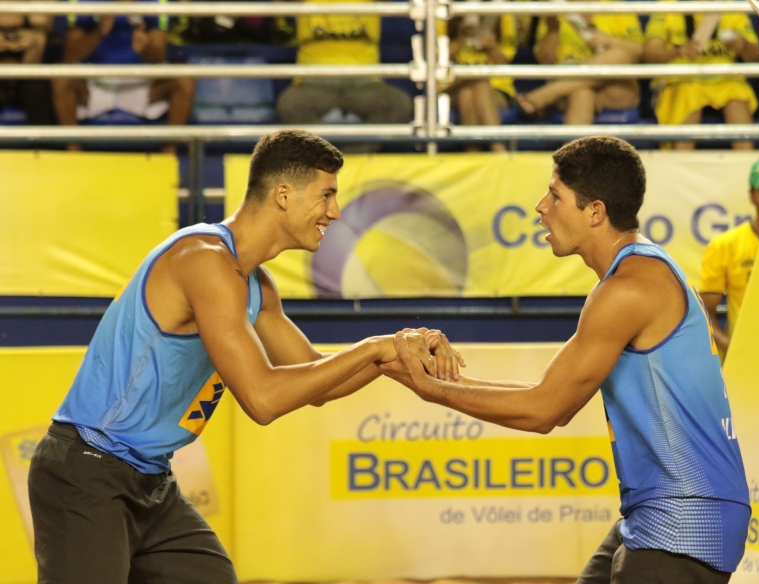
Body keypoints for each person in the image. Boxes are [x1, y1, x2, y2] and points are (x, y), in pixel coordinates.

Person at [27, 130, 461, 583]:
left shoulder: (255, 284)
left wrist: (401, 353)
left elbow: (315, 379)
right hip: (87, 470)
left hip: (148, 480)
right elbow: (263, 399)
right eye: (328, 194)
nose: (336, 211)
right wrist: (375, 347)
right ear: (283, 195)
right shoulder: (204, 259)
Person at [382, 135, 751, 583]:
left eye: (555, 195)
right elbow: (545, 395)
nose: (540, 206)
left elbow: (544, 412)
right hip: (660, 512)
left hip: (685, 519)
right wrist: (433, 379)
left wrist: (431, 389)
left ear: (595, 211)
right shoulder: (632, 276)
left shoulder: (628, 289)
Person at [51, 0, 196, 153]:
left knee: (184, 79)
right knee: (60, 77)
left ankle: (168, 154)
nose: (126, 1)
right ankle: (73, 151)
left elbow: (159, 58)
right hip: (94, 80)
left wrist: (145, 48)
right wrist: (99, 32)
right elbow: (70, 54)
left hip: (139, 80)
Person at [275, 0, 413, 153]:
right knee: (289, 104)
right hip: (314, 83)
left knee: (400, 105)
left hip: (364, 83)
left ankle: (351, 158)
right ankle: (324, 158)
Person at [643, 0, 759, 150]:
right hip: (682, 80)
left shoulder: (731, 8)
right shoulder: (666, 6)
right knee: (690, 94)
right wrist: (678, 51)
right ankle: (680, 167)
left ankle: (746, 163)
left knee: (737, 96)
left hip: (725, 80)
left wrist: (742, 44)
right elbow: (650, 53)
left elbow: (756, 56)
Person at [517, 0, 643, 125]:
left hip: (613, 86)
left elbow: (639, 52)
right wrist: (553, 30)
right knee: (582, 93)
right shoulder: (555, 10)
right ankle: (577, 147)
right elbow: (544, 60)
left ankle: (547, 93)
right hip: (568, 89)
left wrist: (609, 41)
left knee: (620, 54)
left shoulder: (619, 7)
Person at [699, 156, 759, 356]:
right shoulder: (726, 246)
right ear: (752, 196)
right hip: (745, 363)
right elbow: (703, 313)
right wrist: (732, 348)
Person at [445, 0, 518, 153]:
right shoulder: (443, 8)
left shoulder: (502, 7)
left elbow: (505, 63)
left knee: (474, 88)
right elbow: (437, 58)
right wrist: (461, 38)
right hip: (453, 84)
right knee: (470, 87)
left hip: (496, 87)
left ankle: (473, 154)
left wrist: (492, 47)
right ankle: (499, 150)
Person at [0, 0, 55, 125]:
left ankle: (43, 145)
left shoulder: (33, 6)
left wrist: (32, 41)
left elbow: (35, 57)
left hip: (23, 75)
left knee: (36, 87)